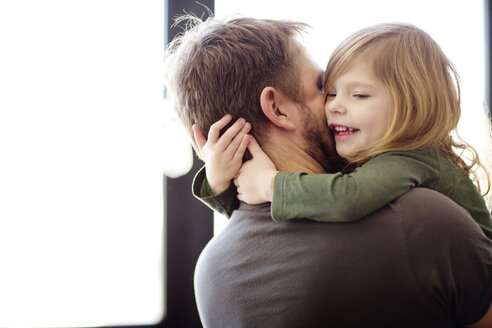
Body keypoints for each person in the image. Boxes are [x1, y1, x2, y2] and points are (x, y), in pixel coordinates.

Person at [164, 15, 492, 327]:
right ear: (277, 108)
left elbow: (271, 212)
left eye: (358, 94)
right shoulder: (420, 219)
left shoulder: (211, 271)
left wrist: (228, 182)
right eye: (325, 88)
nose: (334, 105)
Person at [196, 23, 492, 240]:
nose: (334, 106)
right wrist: (220, 183)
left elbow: (345, 198)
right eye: (331, 92)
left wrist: (268, 183)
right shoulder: (372, 162)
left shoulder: (410, 159)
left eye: (359, 95)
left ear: (412, 105)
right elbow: (271, 215)